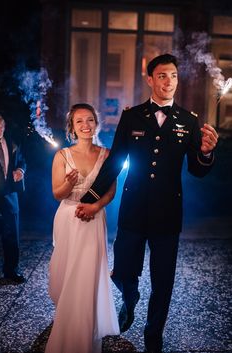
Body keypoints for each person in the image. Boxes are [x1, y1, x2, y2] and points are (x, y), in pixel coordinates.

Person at [76, 54, 219, 353]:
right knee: (124, 270)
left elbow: (197, 169)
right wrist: (91, 199)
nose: (169, 81)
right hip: (133, 210)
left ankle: (153, 336)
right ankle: (130, 298)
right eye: (163, 76)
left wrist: (205, 152)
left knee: (163, 281)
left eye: (174, 76)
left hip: (168, 215)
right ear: (151, 80)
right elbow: (115, 161)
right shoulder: (132, 116)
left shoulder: (189, 121)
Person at [45, 103, 119, 353]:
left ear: (96, 124)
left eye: (90, 120)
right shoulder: (62, 156)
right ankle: (66, 318)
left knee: (86, 278)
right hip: (68, 218)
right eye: (79, 121)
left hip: (94, 219)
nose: (86, 125)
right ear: (72, 128)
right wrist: (68, 184)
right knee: (64, 275)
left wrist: (95, 207)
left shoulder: (106, 155)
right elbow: (57, 194)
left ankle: (83, 335)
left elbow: (110, 192)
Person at [0, 113, 26, 285]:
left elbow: (22, 161)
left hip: (10, 197)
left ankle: (11, 271)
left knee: (12, 236)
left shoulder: (12, 142)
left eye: (0, 126)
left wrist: (21, 171)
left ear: (4, 127)